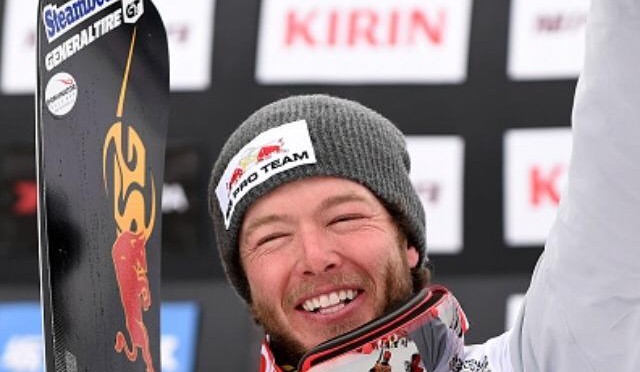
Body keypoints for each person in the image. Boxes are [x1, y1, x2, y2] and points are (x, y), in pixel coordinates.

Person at [208, 0, 640, 370]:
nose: (315, 257)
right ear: (248, 283)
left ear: (408, 242)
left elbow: (620, 159)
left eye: (344, 217)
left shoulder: (539, 361)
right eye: (274, 237)